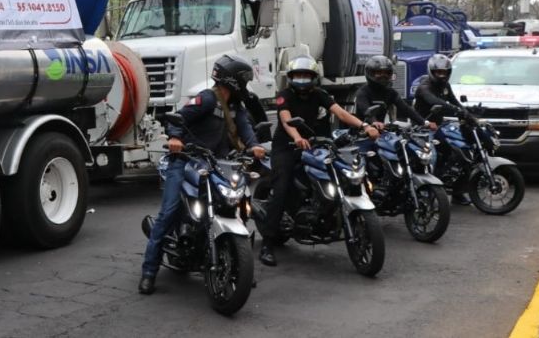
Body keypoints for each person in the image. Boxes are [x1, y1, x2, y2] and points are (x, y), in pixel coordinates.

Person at [139, 54, 266, 295]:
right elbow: (178, 117)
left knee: (238, 207)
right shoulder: (207, 99)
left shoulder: (235, 107)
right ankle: (148, 272)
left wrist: (254, 146)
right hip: (186, 161)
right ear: (234, 81)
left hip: (218, 165)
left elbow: (246, 129)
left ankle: (241, 265)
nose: (246, 88)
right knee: (168, 213)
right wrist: (176, 137)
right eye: (244, 82)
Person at [259, 55, 380, 267]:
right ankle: (267, 244)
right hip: (286, 146)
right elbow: (286, 120)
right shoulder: (284, 95)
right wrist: (296, 137)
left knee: (341, 170)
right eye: (298, 75)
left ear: (314, 78)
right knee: (281, 186)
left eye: (307, 76)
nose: (302, 79)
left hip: (316, 144)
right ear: (291, 77)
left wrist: (364, 126)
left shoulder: (320, 94)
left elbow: (341, 113)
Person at [413, 54, 475, 205]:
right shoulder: (424, 87)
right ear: (431, 72)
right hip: (421, 129)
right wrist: (456, 111)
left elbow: (454, 102)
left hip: (438, 127)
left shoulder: (445, 87)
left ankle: (457, 191)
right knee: (431, 157)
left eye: (444, 72)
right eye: (438, 72)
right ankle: (427, 192)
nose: (441, 75)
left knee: (460, 153)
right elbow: (435, 101)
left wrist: (467, 113)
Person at [355, 55, 435, 131]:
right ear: (370, 73)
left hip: (380, 132)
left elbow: (406, 109)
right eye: (379, 73)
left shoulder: (390, 92)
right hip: (361, 133)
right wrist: (374, 122)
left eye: (386, 73)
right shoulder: (363, 92)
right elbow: (366, 111)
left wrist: (425, 123)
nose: (383, 76)